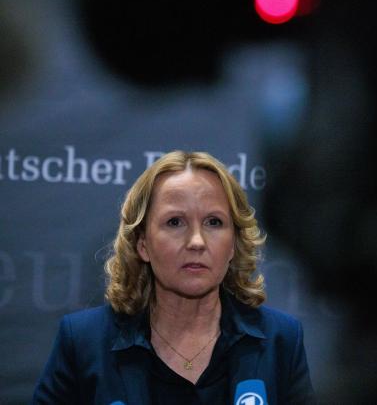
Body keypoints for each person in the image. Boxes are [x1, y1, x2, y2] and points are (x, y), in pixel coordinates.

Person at [32, 151, 315, 404]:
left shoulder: (282, 340)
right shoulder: (83, 341)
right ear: (143, 244)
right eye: (174, 222)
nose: (196, 241)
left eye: (214, 222)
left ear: (233, 244)